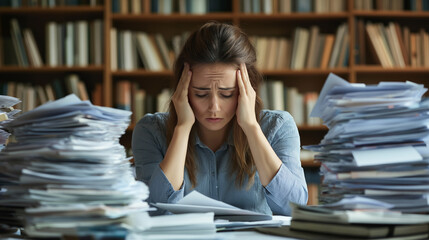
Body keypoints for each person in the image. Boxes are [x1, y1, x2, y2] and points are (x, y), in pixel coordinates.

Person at [132, 22, 307, 216]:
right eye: (200, 94)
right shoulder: (151, 131)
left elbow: (294, 207)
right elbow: (154, 209)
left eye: (227, 94)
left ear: (246, 90)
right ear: (183, 91)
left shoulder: (278, 127)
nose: (214, 107)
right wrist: (182, 128)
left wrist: (251, 128)